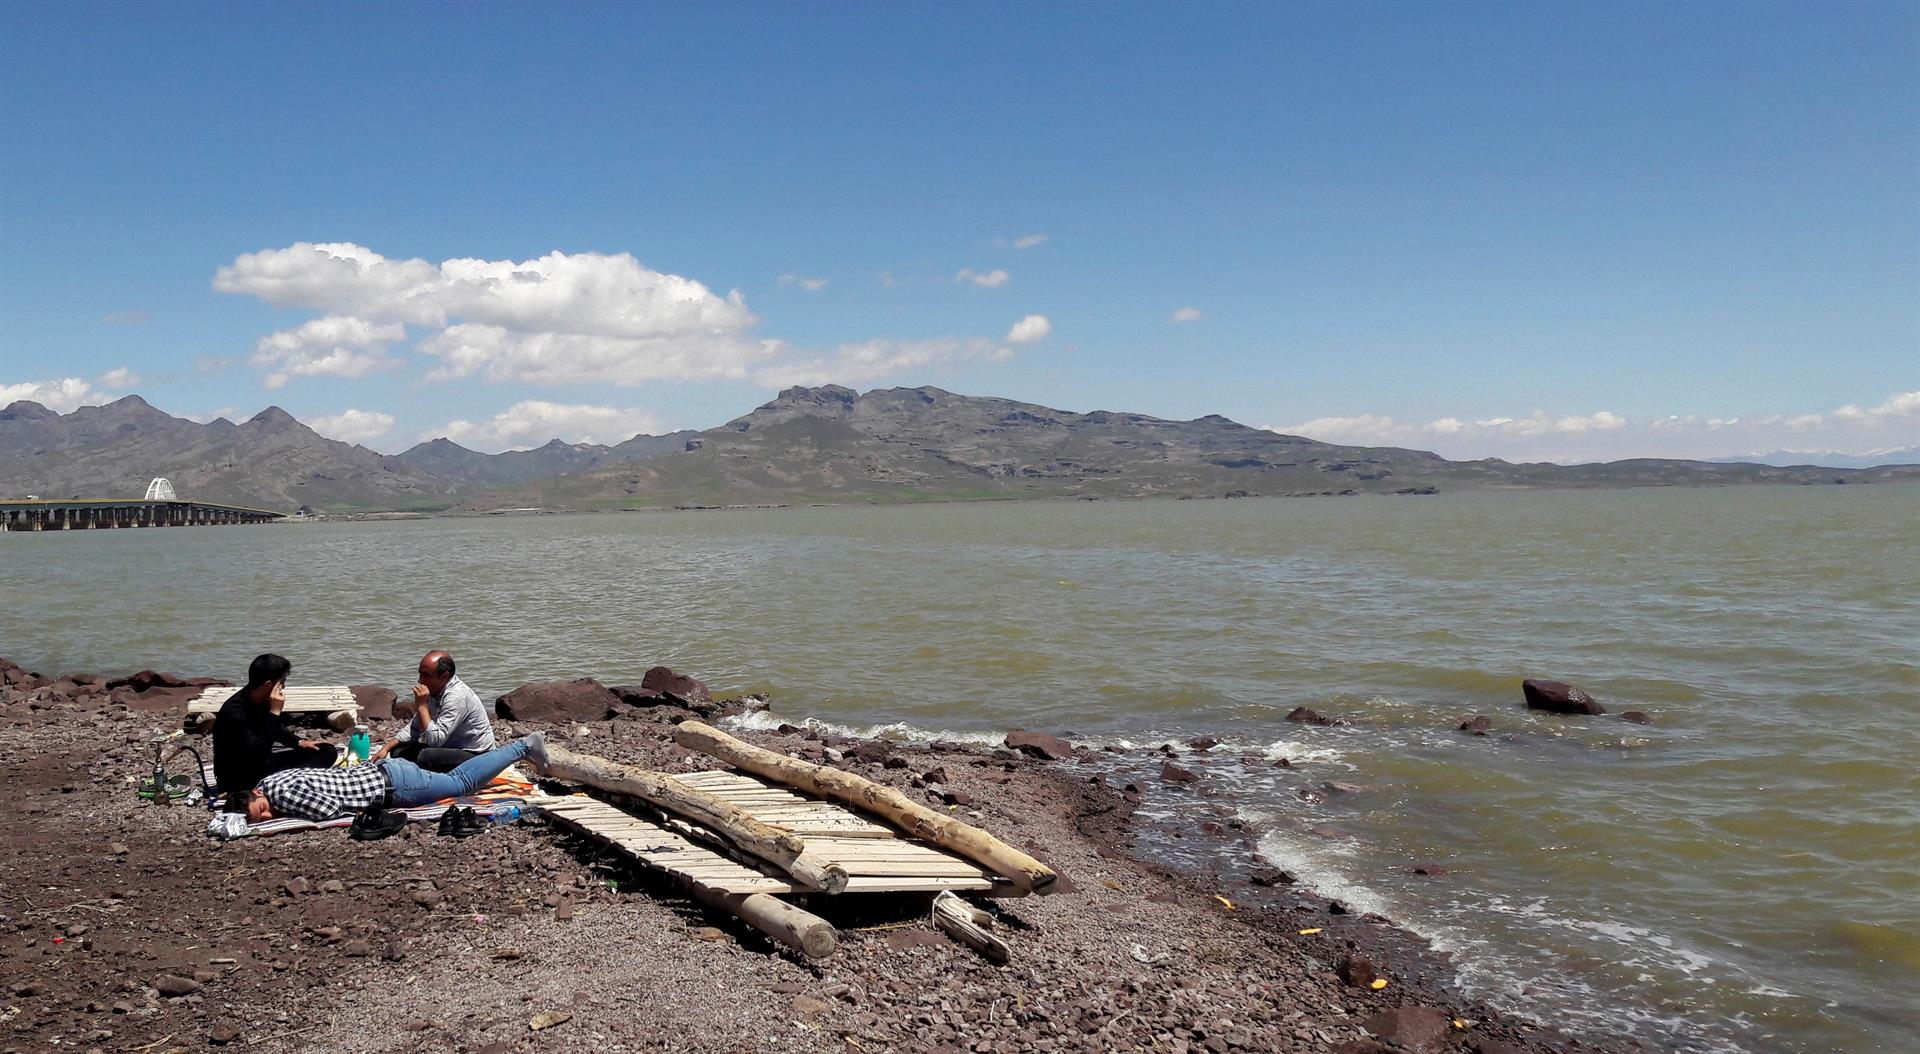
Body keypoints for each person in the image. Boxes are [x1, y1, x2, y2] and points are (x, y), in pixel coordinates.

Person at [245, 732, 548, 823]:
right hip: (388, 772)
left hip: (396, 786)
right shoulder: (271, 781)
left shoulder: (280, 796)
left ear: (257, 796)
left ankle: (523, 746)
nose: (267, 815)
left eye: (262, 811)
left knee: (461, 783)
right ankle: (521, 749)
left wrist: (282, 812)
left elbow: (328, 812)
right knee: (455, 778)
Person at [213, 653, 336, 808]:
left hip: (260, 762)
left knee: (326, 751)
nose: (284, 686)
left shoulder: (261, 700)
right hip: (241, 776)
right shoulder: (234, 712)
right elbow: (258, 752)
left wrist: (298, 742)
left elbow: (275, 729)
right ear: (269, 685)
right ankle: (286, 785)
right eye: (282, 682)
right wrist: (275, 712)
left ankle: (290, 781)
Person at [370, 650, 495, 772]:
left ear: (444, 676)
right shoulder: (434, 691)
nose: (420, 680)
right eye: (420, 674)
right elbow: (414, 728)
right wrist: (385, 749)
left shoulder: (456, 697)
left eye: (426, 675)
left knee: (426, 757)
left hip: (476, 753)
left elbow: (435, 740)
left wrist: (422, 706)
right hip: (448, 745)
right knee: (397, 751)